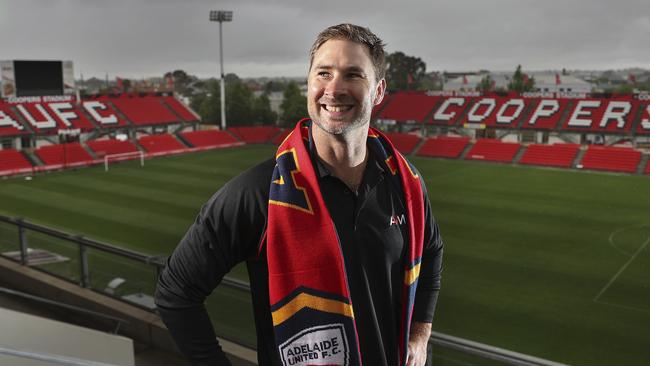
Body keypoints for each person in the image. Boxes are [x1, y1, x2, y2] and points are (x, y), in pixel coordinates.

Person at [155, 23, 443, 366]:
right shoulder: (257, 194)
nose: (334, 89)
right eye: (324, 73)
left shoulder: (405, 183)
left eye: (353, 75)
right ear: (309, 83)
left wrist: (420, 333)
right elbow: (176, 293)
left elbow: (432, 248)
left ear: (378, 91)